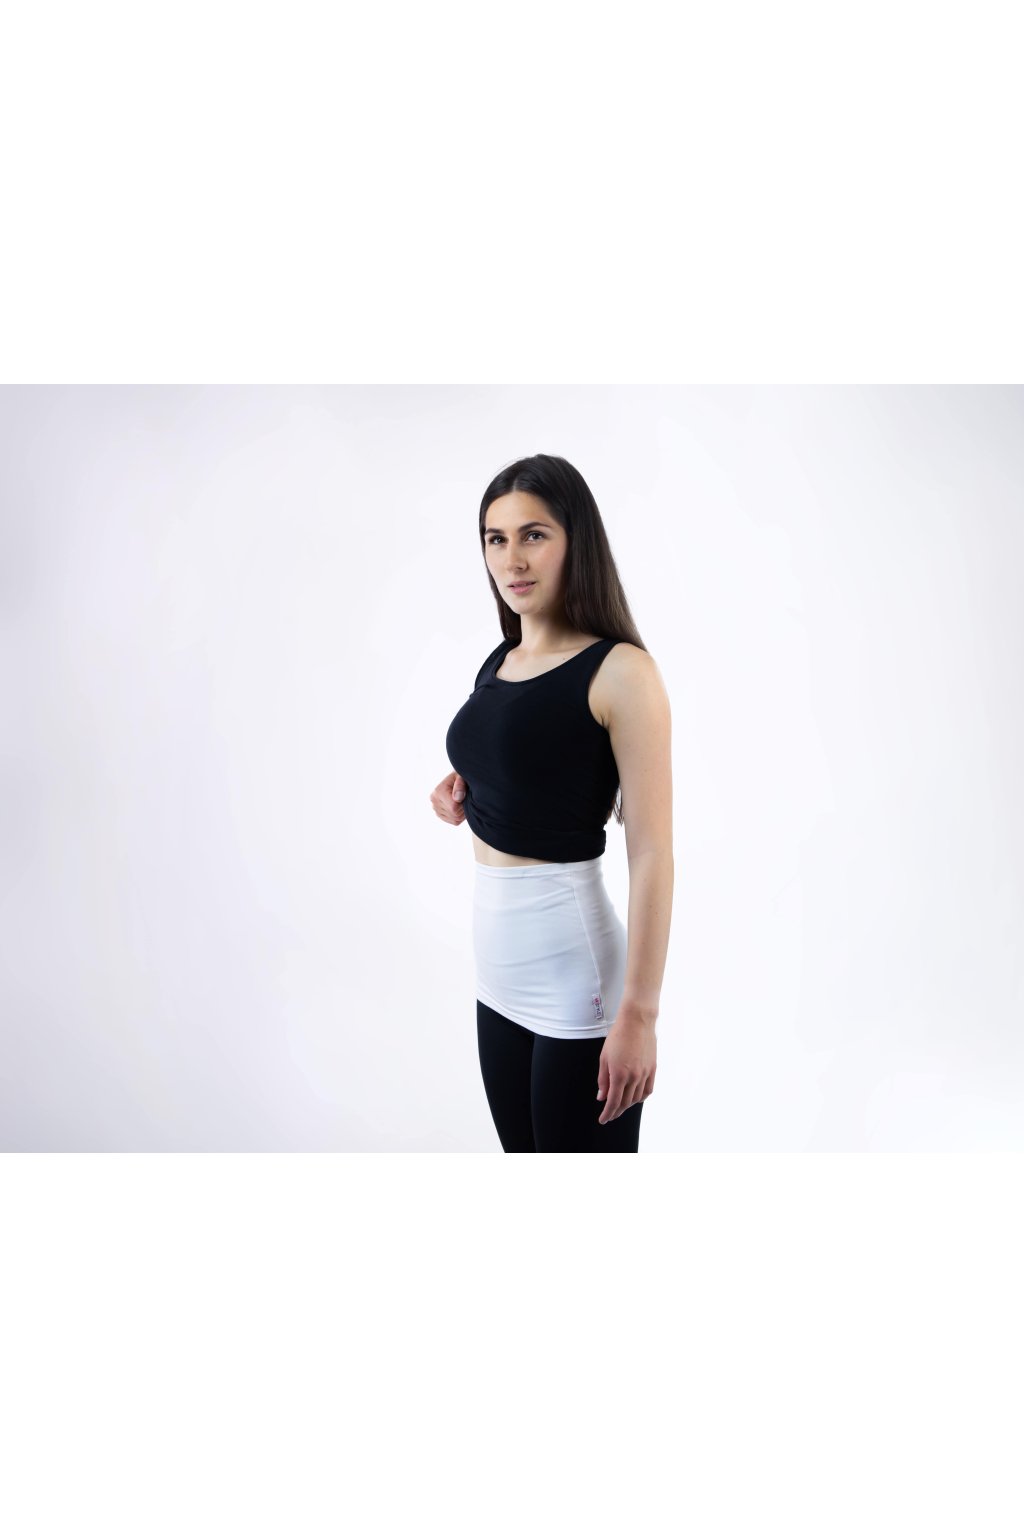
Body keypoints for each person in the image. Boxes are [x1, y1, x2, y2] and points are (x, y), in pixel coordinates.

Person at [431, 454, 673, 1152]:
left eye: (533, 535)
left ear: (576, 540)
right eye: (496, 538)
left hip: (578, 983)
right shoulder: (502, 658)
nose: (512, 559)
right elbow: (526, 757)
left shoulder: (622, 671)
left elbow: (652, 853)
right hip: (497, 979)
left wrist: (639, 1016)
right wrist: (460, 789)